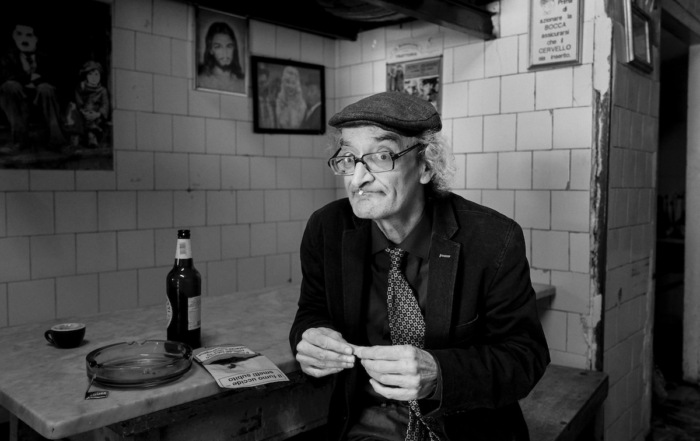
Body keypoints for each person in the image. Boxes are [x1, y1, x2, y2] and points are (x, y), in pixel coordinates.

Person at [289, 91, 550, 441]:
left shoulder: (493, 239)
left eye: (381, 156)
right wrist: (309, 337)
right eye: (349, 158)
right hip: (368, 425)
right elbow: (311, 312)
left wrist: (439, 374)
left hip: (464, 429)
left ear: (426, 165)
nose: (357, 179)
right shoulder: (327, 230)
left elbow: (526, 357)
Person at [0, 20, 66, 153]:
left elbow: (58, 77)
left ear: (36, 38)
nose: (24, 40)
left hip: (43, 101)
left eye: (29, 35)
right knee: (9, 86)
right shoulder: (7, 57)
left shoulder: (47, 55)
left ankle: (57, 141)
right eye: (19, 34)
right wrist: (30, 79)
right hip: (18, 103)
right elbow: (5, 76)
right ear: (14, 36)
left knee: (46, 88)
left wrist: (37, 82)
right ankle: (19, 141)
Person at [65, 60, 110, 149]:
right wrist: (83, 111)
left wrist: (98, 114)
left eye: (96, 74)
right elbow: (79, 101)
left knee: (91, 107)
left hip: (95, 115)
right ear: (86, 76)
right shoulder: (80, 87)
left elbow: (105, 105)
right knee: (71, 108)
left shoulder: (102, 90)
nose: (94, 78)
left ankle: (92, 135)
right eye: (90, 74)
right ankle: (75, 135)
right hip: (82, 112)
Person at [197, 21, 244, 94]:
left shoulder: (242, 82)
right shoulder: (201, 81)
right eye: (218, 47)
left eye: (229, 46)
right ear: (211, 50)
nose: (225, 52)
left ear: (234, 48)